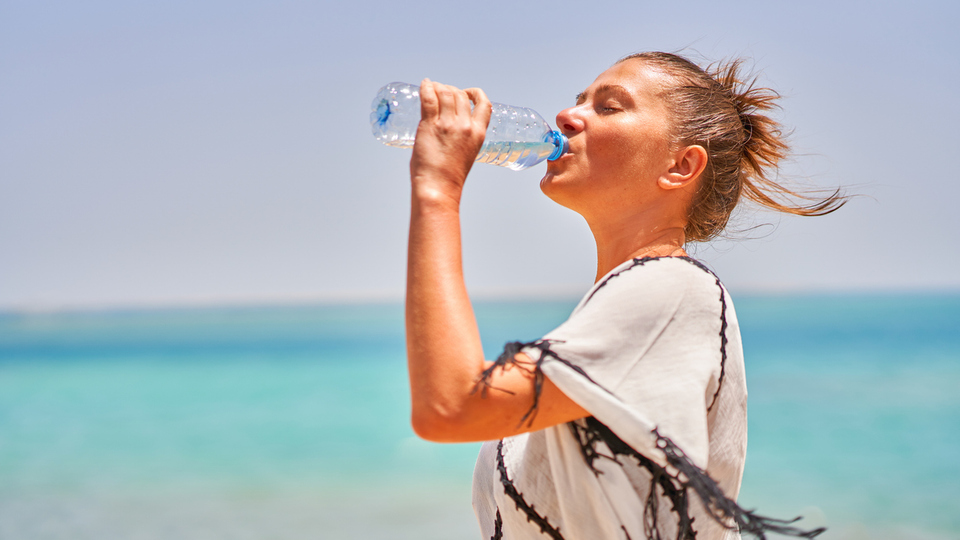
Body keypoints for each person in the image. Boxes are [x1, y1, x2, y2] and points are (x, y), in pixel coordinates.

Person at [403, 52, 843, 540]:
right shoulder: (620, 310)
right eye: (578, 102)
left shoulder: (672, 292)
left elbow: (451, 407)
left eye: (609, 107)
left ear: (680, 165)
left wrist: (437, 190)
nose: (567, 118)